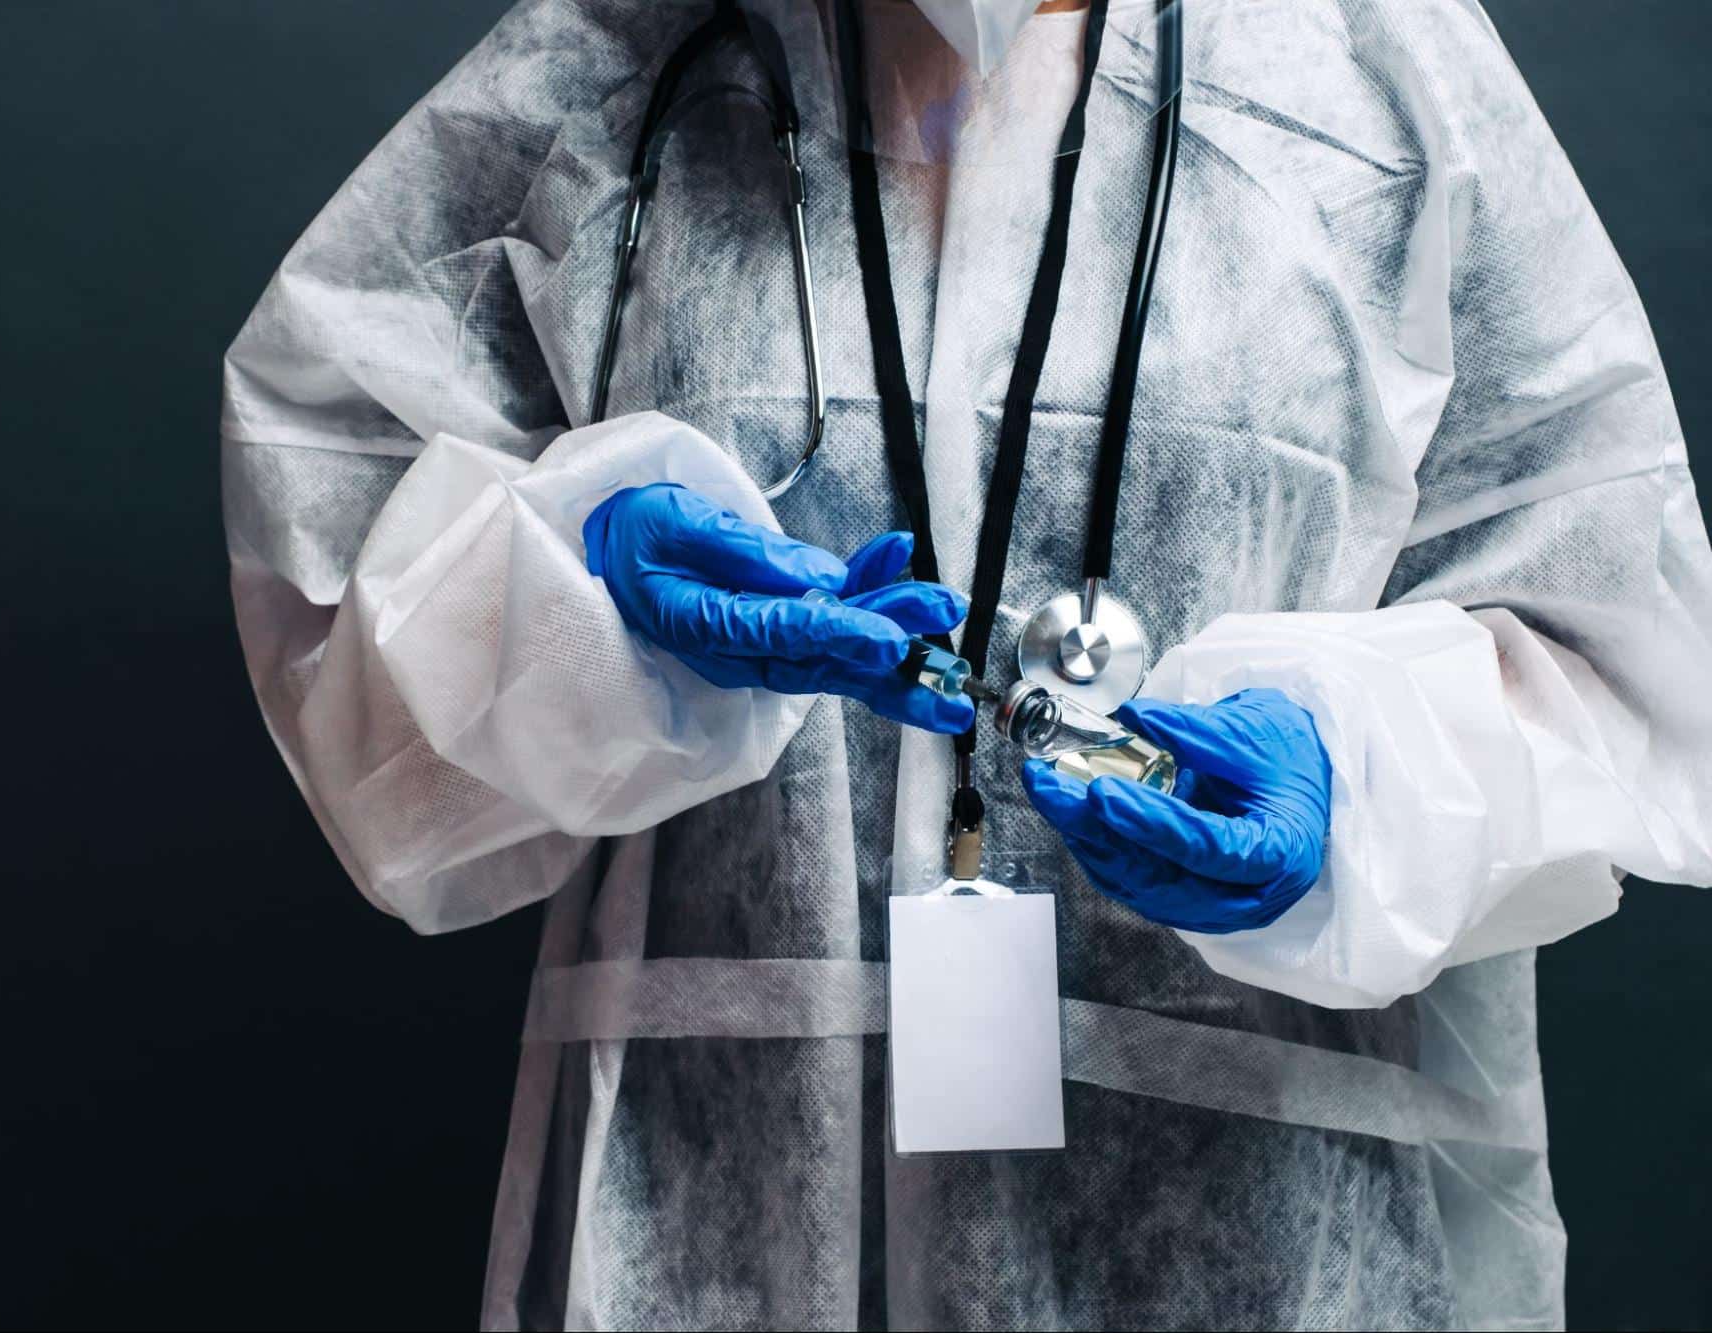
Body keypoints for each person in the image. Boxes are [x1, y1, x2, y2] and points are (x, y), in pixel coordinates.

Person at [220, 0, 1712, 1326]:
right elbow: (334, 567)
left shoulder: (1372, 76)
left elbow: (1624, 647)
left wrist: (1369, 779)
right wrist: (562, 589)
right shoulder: (617, 68)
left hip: (1256, 1252)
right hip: (712, 1230)